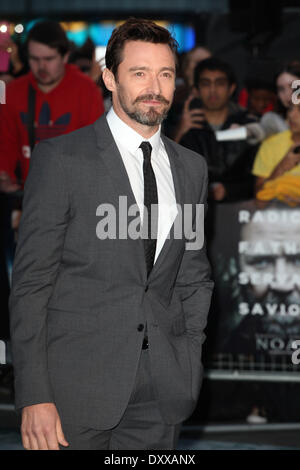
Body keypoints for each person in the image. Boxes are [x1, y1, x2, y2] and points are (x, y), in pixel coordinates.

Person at [9, 18, 214, 450]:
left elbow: (193, 275)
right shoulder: (62, 159)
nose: (154, 86)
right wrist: (34, 395)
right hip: (72, 394)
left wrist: (187, 355)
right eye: (139, 72)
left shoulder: (191, 169)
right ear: (109, 78)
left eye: (165, 73)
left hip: (161, 393)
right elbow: (30, 285)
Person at [0, 21, 104, 193]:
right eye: (35, 59)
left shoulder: (86, 91)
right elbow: (5, 142)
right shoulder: (12, 92)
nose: (41, 66)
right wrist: (4, 174)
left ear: (65, 56)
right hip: (28, 196)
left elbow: (95, 147)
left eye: (49, 59)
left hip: (74, 195)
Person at [178, 57, 258, 202]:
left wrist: (229, 190)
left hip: (240, 211)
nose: (213, 90)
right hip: (197, 215)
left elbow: (259, 177)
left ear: (231, 88)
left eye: (220, 83)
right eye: (206, 84)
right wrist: (179, 132)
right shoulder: (187, 129)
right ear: (196, 90)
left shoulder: (248, 125)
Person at [253, 101, 300, 206]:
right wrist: (281, 168)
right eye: (291, 108)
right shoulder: (271, 144)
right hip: (276, 217)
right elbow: (259, 202)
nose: (291, 115)